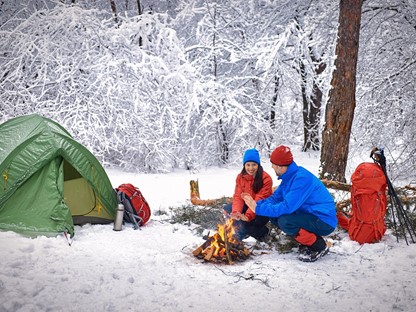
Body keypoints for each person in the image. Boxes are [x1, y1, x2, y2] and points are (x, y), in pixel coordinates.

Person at [241, 145, 337, 262]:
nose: (272, 167)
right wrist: (257, 205)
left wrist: (257, 209)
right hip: (309, 216)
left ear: (280, 166)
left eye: (273, 164)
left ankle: (319, 246)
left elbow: (287, 207)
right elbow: (275, 199)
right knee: (275, 216)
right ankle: (308, 241)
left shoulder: (301, 179)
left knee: (285, 221)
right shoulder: (289, 177)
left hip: (323, 220)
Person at [223, 148, 273, 241]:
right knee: (228, 209)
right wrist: (236, 213)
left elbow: (259, 200)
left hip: (261, 210)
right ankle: (242, 230)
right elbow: (238, 197)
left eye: (254, 165)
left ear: (258, 165)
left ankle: (263, 232)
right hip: (248, 206)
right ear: (244, 165)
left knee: (246, 225)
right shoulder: (240, 177)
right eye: (248, 165)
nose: (251, 168)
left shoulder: (266, 179)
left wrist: (247, 216)